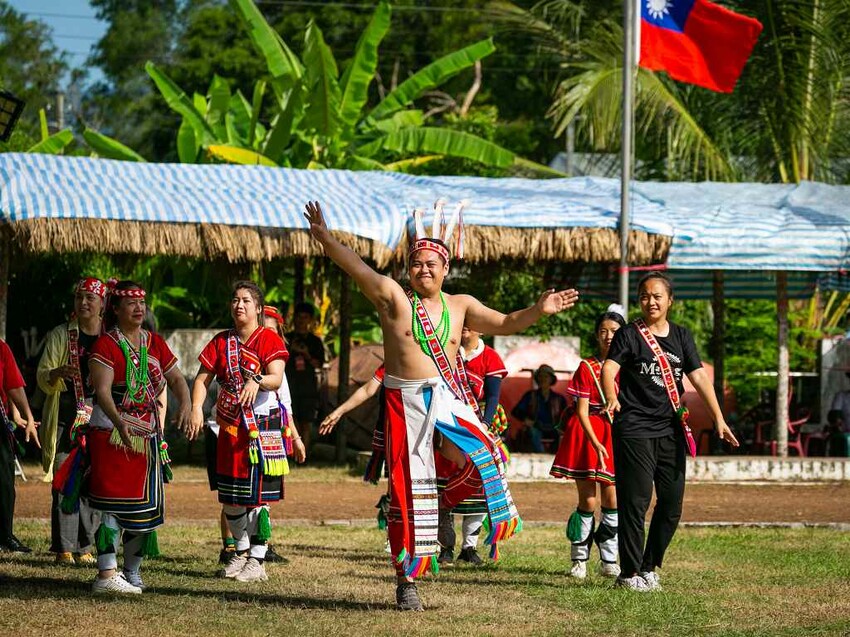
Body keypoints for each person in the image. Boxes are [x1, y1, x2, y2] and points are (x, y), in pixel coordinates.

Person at [304, 200, 579, 611]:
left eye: (432, 264)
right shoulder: (394, 298)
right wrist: (326, 238)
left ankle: (450, 507)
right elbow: (358, 268)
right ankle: (407, 578)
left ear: (446, 268)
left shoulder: (460, 305)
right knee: (406, 494)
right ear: (409, 268)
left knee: (489, 453)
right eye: (417, 263)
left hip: (447, 397)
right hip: (404, 402)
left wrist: (539, 310)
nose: (424, 270)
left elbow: (505, 323)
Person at [601, 272, 738, 592]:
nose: (651, 302)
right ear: (639, 300)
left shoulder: (681, 336)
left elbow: (700, 378)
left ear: (669, 301)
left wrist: (718, 417)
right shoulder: (629, 335)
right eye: (645, 296)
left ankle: (649, 566)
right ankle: (628, 573)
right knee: (635, 502)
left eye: (657, 296)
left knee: (672, 503)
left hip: (670, 429)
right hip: (634, 428)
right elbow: (609, 369)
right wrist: (612, 396)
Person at [86, 280, 193, 594]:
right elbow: (103, 392)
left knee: (143, 510)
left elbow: (175, 379)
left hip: (146, 436)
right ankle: (106, 575)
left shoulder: (154, 342)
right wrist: (120, 423)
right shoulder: (105, 345)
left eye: (142, 303)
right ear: (115, 309)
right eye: (130, 303)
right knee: (111, 505)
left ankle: (132, 573)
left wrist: (186, 403)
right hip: (110, 432)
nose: (138, 308)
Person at [191, 281, 290, 584]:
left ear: (258, 308)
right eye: (235, 300)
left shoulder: (268, 339)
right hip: (230, 427)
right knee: (231, 497)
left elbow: (276, 377)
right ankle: (242, 553)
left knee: (258, 498)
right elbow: (202, 379)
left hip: (262, 427)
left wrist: (256, 380)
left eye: (246, 300)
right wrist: (196, 408)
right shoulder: (221, 342)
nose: (239, 305)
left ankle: (258, 560)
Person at [550, 310, 626, 580]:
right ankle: (579, 559)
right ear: (596, 335)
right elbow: (581, 411)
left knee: (613, 498)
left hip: (616, 434)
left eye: (615, 331)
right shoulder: (587, 367)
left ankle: (609, 560)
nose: (608, 336)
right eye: (604, 331)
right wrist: (596, 443)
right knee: (588, 500)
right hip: (588, 433)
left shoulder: (627, 366)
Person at [37, 277, 105, 565]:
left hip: (102, 414)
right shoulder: (61, 335)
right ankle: (64, 547)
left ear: (102, 303)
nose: (84, 302)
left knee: (95, 480)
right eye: (79, 297)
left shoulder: (110, 336)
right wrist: (56, 373)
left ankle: (85, 546)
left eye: (90, 297)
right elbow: (42, 375)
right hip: (67, 413)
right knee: (65, 477)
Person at [437, 326, 508, 565]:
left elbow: (493, 396)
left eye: (473, 322)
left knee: (478, 483)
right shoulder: (446, 352)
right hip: (448, 426)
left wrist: (485, 424)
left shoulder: (490, 357)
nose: (466, 326)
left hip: (478, 425)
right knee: (444, 482)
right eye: (462, 321)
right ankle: (444, 546)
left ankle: (469, 547)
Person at [0, 338, 40, 553]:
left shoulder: (1, 347)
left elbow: (13, 384)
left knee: (5, 481)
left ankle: (5, 535)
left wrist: (27, 416)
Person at [284, 301, 325, 453]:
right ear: (294, 319)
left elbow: (318, 365)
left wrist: (306, 354)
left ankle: (303, 456)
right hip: (289, 387)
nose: (301, 321)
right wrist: (291, 349)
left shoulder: (315, 342)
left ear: (310, 320)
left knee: (306, 424)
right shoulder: (286, 338)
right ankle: (291, 454)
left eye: (305, 317)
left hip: (308, 388)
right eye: (299, 317)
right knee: (290, 422)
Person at [512, 364, 569, 452]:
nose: (543, 379)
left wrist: (562, 427)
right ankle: (541, 456)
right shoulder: (530, 395)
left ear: (551, 380)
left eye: (546, 376)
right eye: (540, 376)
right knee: (533, 432)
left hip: (553, 428)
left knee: (564, 435)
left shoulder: (559, 399)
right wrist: (526, 419)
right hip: (536, 427)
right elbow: (516, 411)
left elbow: (567, 416)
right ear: (537, 379)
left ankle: (554, 458)